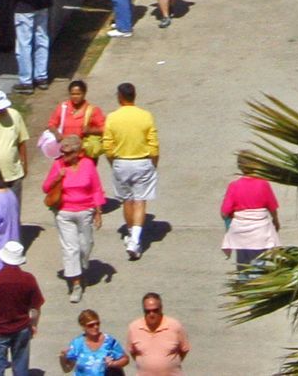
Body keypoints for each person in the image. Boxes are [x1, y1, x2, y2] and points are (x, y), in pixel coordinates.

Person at [44, 133, 107, 304]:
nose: (64, 156)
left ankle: (81, 268)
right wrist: (58, 177)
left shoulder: (87, 165)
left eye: (68, 153)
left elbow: (96, 188)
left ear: (78, 152)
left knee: (86, 245)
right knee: (70, 248)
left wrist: (98, 212)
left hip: (85, 211)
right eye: (63, 153)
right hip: (64, 212)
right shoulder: (58, 165)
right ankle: (76, 284)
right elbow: (45, 187)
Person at [103, 82, 160, 259]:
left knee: (127, 201)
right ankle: (135, 239)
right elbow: (154, 144)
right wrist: (154, 162)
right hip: (142, 162)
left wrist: (113, 161)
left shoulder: (112, 117)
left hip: (121, 162)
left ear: (120, 97)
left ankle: (131, 236)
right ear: (134, 96)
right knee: (140, 200)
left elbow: (107, 144)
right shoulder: (145, 116)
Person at [0, 240, 43, 376]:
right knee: (20, 366)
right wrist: (33, 325)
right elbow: (36, 307)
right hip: (21, 328)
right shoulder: (28, 279)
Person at [220, 175, 280, 270]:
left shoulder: (234, 185)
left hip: (240, 232)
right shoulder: (263, 184)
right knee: (259, 264)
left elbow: (224, 213)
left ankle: (244, 282)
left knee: (243, 265)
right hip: (260, 231)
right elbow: (272, 207)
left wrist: (230, 220)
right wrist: (276, 221)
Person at [127, 293, 192, 375]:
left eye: (155, 310)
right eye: (147, 311)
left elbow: (184, 350)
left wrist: (168, 365)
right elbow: (133, 353)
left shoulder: (175, 326)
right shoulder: (134, 328)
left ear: (161, 309)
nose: (151, 314)